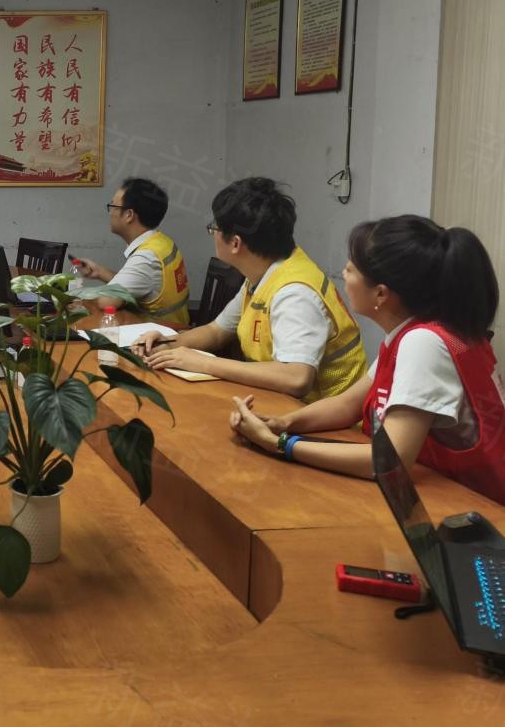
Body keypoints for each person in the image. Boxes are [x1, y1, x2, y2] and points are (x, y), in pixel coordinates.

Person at [229, 215, 505, 503]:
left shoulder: (424, 343)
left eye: (350, 270)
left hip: (474, 506)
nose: (343, 275)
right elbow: (348, 405)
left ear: (381, 293)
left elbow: (389, 461)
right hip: (446, 495)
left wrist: (279, 444)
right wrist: (281, 423)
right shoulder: (414, 332)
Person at [134, 177, 366, 400]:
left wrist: (204, 363)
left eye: (214, 227)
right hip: (281, 406)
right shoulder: (263, 272)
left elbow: (296, 377)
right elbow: (216, 331)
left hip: (325, 420)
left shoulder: (295, 293)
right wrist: (169, 343)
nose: (213, 233)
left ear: (235, 243)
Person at [72, 177, 191, 325]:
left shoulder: (146, 258)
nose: (110, 213)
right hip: (173, 328)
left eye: (113, 206)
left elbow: (106, 301)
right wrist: (99, 272)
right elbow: (138, 284)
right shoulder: (162, 243)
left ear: (129, 215)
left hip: (161, 335)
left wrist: (76, 295)